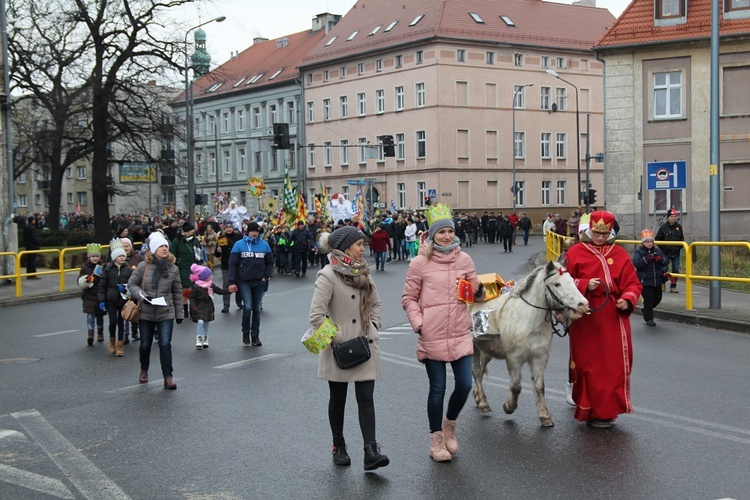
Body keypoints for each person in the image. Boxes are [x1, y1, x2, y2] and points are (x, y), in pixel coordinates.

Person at [401, 204, 484, 462]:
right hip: (432, 333)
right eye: (441, 232)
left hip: (459, 330)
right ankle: (436, 440)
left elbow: (474, 289)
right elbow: (408, 298)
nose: (447, 236)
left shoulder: (465, 259)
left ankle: (450, 425)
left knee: (466, 385)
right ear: (432, 234)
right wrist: (420, 323)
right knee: (437, 388)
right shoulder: (419, 262)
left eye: (450, 231)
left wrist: (481, 290)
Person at [309, 226, 388, 471]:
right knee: (339, 398)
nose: (363, 249)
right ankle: (339, 445)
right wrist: (339, 338)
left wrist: (373, 326)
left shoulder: (363, 270)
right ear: (345, 248)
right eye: (358, 245)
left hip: (365, 342)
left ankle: (371, 451)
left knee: (366, 398)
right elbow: (316, 316)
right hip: (339, 348)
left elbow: (375, 302)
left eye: (363, 244)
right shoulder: (328, 275)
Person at [563, 211, 642, 428]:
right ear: (589, 230)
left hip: (613, 318)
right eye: (596, 233)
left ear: (610, 232)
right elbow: (563, 283)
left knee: (612, 366)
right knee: (588, 365)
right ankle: (590, 410)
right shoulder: (575, 252)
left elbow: (633, 283)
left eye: (603, 234)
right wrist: (584, 284)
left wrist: (627, 300)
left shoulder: (620, 254)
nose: (599, 238)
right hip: (586, 316)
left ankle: (607, 411)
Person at [128, 232, 184, 389]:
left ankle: (168, 377)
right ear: (153, 249)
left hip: (165, 312)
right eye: (161, 246)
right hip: (146, 312)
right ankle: (144, 369)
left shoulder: (173, 269)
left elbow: (177, 293)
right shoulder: (143, 266)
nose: (165, 248)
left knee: (165, 344)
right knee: (145, 344)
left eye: (166, 246)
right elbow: (132, 284)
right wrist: (143, 295)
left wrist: (179, 314)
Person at [227, 221, 274, 346]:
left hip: (259, 281)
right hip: (244, 281)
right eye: (252, 231)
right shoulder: (239, 245)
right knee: (247, 307)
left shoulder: (264, 245)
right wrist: (231, 281)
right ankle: (245, 332)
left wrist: (266, 275)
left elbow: (270, 262)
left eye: (256, 231)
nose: (254, 233)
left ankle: (255, 336)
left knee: (257, 309)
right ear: (248, 232)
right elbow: (232, 264)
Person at [189, 264, 232, 349]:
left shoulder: (211, 285)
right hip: (199, 306)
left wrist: (228, 291)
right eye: (208, 275)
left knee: (206, 323)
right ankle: (199, 339)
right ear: (203, 276)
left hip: (208, 306)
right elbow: (192, 298)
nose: (211, 276)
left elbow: (219, 291)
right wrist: (193, 307)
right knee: (200, 322)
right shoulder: (196, 286)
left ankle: (205, 339)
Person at [632, 229, 668, 326]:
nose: (649, 243)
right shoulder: (639, 252)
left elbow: (666, 261)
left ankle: (646, 310)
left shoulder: (657, 250)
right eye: (647, 241)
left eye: (651, 241)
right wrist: (647, 259)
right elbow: (636, 263)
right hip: (645, 281)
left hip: (657, 280)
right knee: (649, 299)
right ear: (643, 243)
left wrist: (660, 259)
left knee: (658, 298)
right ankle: (649, 318)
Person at [170, 222, 204, 319]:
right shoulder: (177, 241)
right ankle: (185, 310)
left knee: (194, 290)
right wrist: (175, 266)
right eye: (190, 230)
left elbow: (200, 252)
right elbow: (172, 254)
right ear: (185, 232)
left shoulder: (195, 240)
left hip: (194, 267)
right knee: (185, 289)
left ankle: (192, 309)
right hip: (182, 268)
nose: (193, 231)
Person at [77, 243, 105, 345]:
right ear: (89, 257)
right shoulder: (85, 268)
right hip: (89, 296)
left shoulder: (102, 267)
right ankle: (90, 334)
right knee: (90, 316)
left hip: (99, 295)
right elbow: (79, 280)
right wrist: (86, 280)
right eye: (93, 256)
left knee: (100, 316)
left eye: (97, 256)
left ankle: (100, 333)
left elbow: (105, 280)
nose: (95, 258)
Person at [655, 208, 685, 293]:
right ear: (668, 217)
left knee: (675, 269)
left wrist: (679, 247)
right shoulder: (663, 228)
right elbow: (657, 239)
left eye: (675, 216)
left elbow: (682, 239)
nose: (673, 218)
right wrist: (663, 248)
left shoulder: (679, 227)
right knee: (664, 269)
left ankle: (673, 286)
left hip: (675, 252)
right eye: (671, 216)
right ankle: (662, 284)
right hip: (665, 253)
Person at [216, 224, 242, 313]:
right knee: (227, 284)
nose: (229, 229)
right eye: (227, 228)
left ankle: (239, 302)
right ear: (224, 229)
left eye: (230, 227)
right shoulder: (221, 238)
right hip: (226, 265)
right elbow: (217, 254)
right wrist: (218, 251)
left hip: (238, 264)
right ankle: (226, 305)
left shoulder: (239, 237)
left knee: (238, 283)